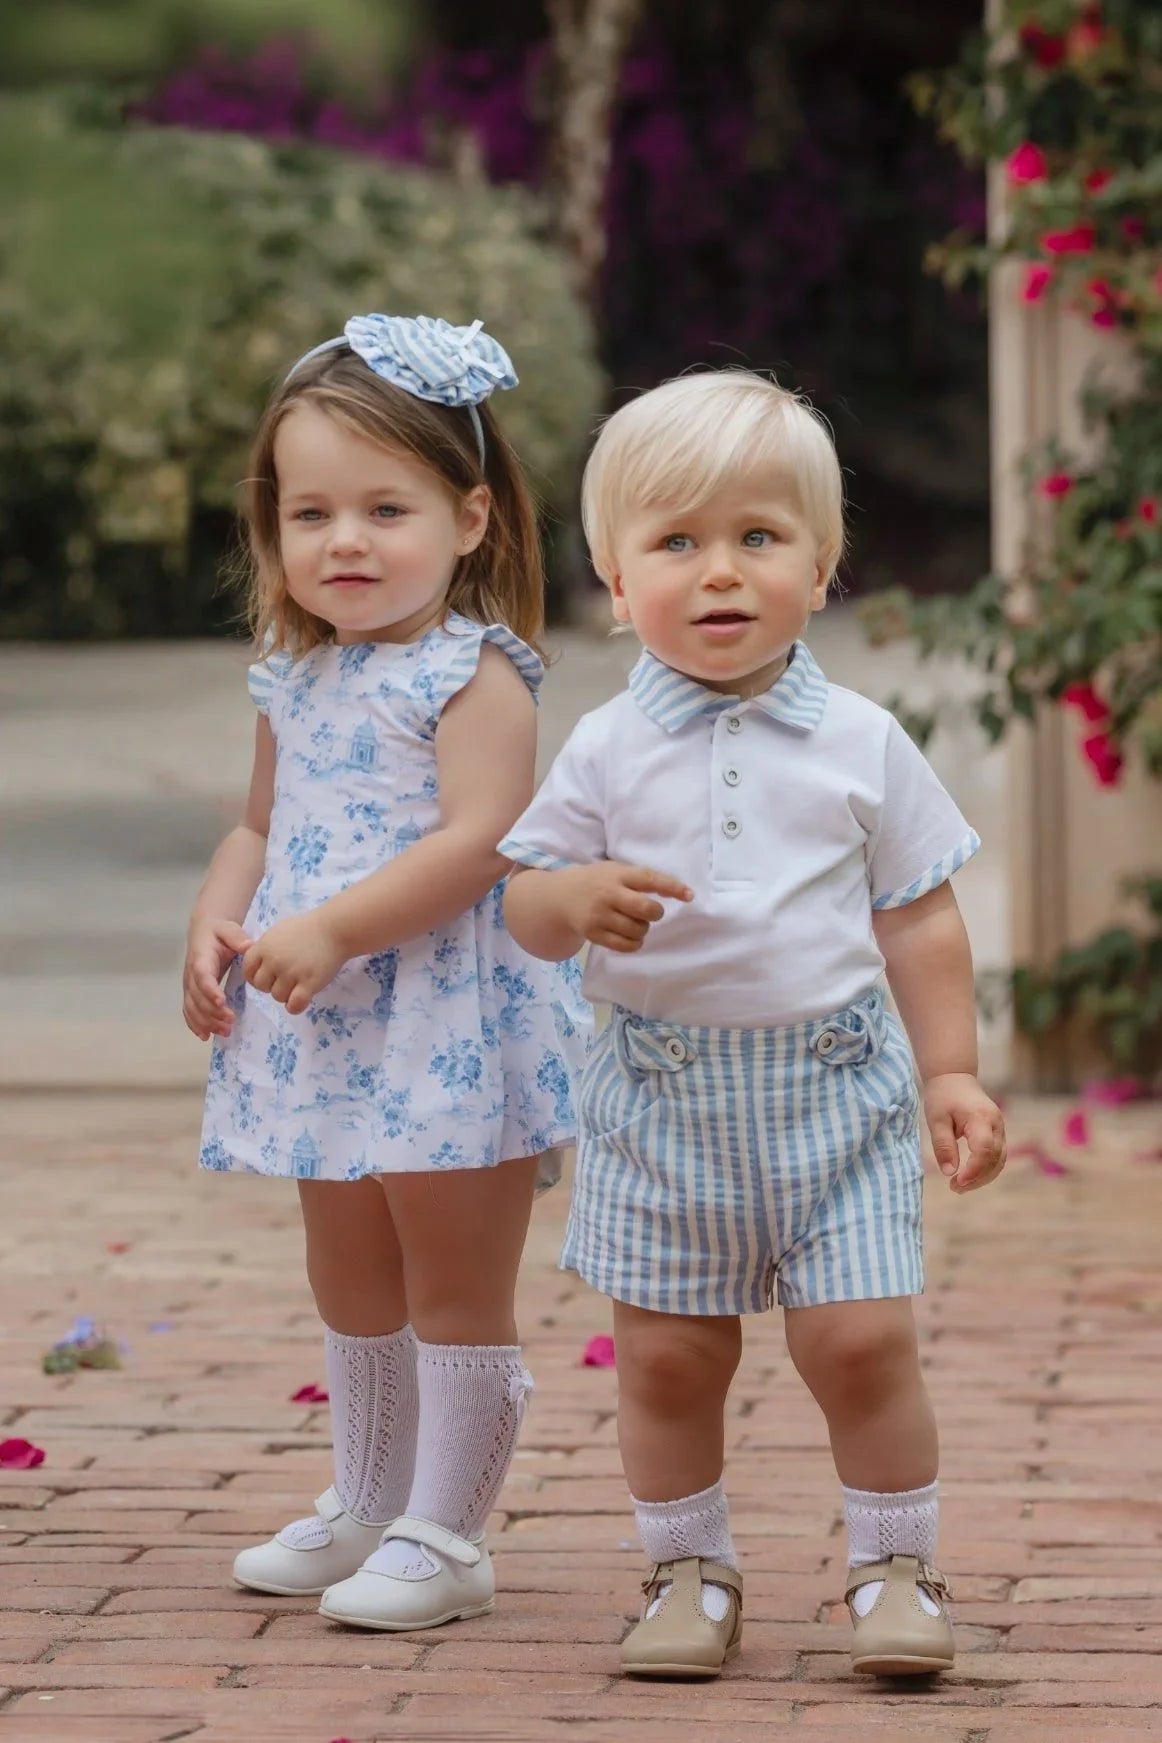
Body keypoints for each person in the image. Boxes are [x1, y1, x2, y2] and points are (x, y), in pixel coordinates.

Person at [500, 369, 1006, 1680]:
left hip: (835, 1092)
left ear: (819, 566)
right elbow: (524, 912)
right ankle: (686, 1573)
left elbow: (917, 914)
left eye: (757, 539)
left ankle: (895, 1570)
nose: (718, 574)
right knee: (668, 1359)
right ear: (616, 581)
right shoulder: (606, 747)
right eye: (676, 543)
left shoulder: (859, 738)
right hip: (660, 1101)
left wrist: (949, 1068)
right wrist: (570, 897)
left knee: (860, 1339)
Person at [182, 313, 590, 1632]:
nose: (342, 541)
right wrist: (218, 920)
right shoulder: (291, 679)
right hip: (318, 1018)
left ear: (471, 519)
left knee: (452, 1275)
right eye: (310, 513)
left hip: (441, 1020)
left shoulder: (475, 676)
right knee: (346, 1264)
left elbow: (481, 843)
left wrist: (339, 928)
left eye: (382, 508)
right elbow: (257, 823)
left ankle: (448, 1533)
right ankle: (366, 1497)